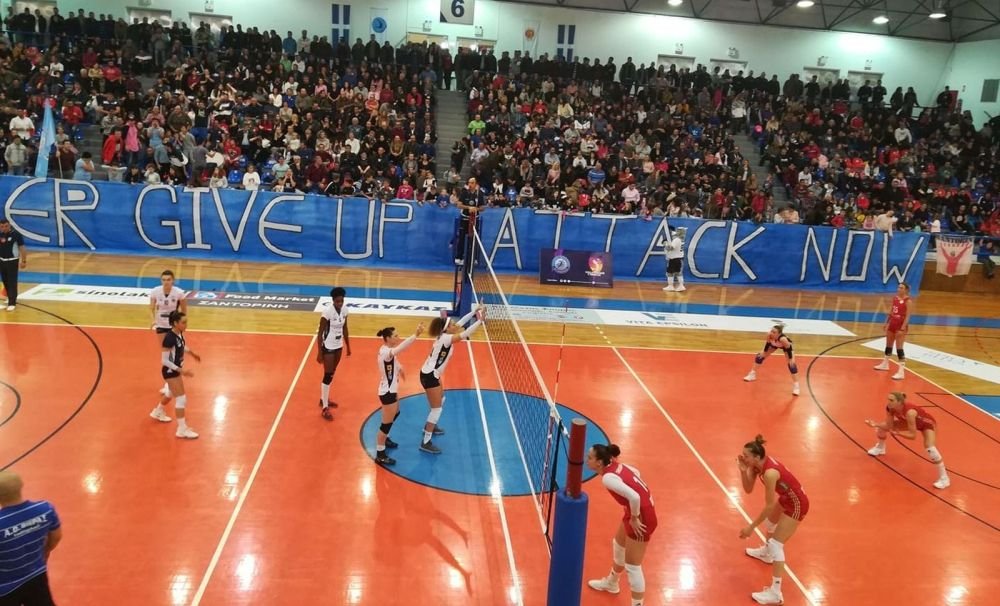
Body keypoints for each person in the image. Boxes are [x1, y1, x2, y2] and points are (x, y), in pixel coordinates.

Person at [738, 435, 808, 605]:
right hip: (786, 498)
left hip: (797, 504)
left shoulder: (769, 473)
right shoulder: (757, 466)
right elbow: (748, 489)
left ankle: (776, 593)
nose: (743, 458)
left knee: (777, 544)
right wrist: (743, 470)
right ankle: (767, 554)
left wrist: (751, 527)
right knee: (770, 523)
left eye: (746, 456)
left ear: (756, 457)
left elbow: (769, 505)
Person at [585, 443, 656, 606]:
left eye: (590, 458)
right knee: (618, 544)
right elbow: (636, 472)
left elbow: (635, 497)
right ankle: (612, 583)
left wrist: (635, 517)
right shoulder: (616, 465)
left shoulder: (608, 478)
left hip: (642, 517)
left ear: (599, 463)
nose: (586, 460)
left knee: (633, 566)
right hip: (634, 510)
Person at [418, 306, 485, 454]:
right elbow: (465, 333)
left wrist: (474, 312)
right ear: (447, 328)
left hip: (431, 373)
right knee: (436, 409)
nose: (456, 325)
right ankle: (426, 441)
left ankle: (430, 425)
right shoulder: (446, 339)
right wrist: (480, 321)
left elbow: (461, 322)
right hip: (429, 375)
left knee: (441, 399)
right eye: (452, 324)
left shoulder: (444, 334)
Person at [0, 471, 62, 606]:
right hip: (36, 575)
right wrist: (44, 553)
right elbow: (56, 537)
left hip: (5, 588)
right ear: (21, 486)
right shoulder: (45, 509)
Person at [866, 391, 950, 489]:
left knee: (930, 448)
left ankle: (944, 478)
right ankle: (880, 448)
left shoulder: (910, 412)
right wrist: (875, 424)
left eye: (891, 400)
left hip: (926, 424)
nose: (889, 402)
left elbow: (912, 435)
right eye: (888, 399)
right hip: (909, 422)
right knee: (881, 428)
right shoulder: (889, 408)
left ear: (899, 402)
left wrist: (898, 433)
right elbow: (889, 425)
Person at [373, 323, 425, 466]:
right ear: (388, 338)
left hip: (391, 390)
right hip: (387, 393)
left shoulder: (386, 350)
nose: (398, 337)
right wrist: (416, 335)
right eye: (395, 336)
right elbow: (400, 349)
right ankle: (380, 454)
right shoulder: (386, 352)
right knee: (385, 425)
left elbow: (394, 361)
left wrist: (400, 369)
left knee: (396, 413)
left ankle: (386, 438)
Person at [150, 311, 202, 439]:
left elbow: (181, 345)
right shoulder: (169, 338)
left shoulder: (178, 334)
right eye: (183, 322)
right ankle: (182, 429)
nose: (186, 324)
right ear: (175, 323)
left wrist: (192, 353)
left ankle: (158, 411)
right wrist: (182, 371)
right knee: (181, 398)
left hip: (175, 370)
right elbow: (164, 361)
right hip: (170, 371)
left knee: (170, 393)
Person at [149, 269, 188, 400]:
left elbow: (184, 311)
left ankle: (171, 380)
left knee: (174, 353)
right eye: (164, 280)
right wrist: (152, 320)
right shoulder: (155, 291)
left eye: (168, 280)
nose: (166, 282)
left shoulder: (179, 293)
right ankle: (168, 382)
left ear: (173, 281)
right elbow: (151, 308)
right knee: (165, 353)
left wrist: (182, 325)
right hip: (161, 325)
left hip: (173, 326)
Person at [316, 287, 351, 420]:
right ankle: (325, 407)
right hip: (328, 346)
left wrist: (348, 346)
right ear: (333, 300)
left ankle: (323, 399)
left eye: (342, 301)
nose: (340, 303)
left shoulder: (345, 310)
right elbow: (320, 333)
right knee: (328, 374)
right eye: (337, 301)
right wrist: (319, 352)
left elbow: (345, 328)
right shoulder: (327, 313)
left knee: (332, 373)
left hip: (339, 345)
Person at [743, 324, 800, 396]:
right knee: (759, 357)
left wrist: (791, 359)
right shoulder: (769, 335)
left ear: (779, 334)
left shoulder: (783, 339)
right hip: (774, 344)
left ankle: (796, 386)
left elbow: (789, 349)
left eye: (774, 332)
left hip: (786, 347)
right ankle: (752, 374)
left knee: (792, 366)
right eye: (771, 331)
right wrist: (763, 353)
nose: (771, 333)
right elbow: (767, 344)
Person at [874, 283, 911, 380]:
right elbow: (891, 312)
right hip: (892, 323)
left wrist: (902, 328)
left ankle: (901, 371)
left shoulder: (908, 301)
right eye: (898, 287)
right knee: (888, 345)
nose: (899, 289)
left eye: (901, 288)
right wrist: (886, 322)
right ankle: (885, 364)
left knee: (899, 348)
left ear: (906, 290)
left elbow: (908, 316)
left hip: (900, 325)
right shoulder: (895, 298)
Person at [452, 177, 485, 265]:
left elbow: (482, 208)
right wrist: (469, 207)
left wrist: (475, 209)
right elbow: (459, 205)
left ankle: (473, 258)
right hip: (464, 218)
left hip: (474, 219)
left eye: (472, 183)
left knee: (473, 239)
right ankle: (459, 257)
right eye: (469, 183)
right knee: (461, 237)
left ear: (476, 184)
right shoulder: (464, 192)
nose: (470, 184)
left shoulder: (479, 194)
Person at [0, 218, 27, 312]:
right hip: (2, 261)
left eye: (6, 226)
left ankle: (12, 303)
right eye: (2, 227)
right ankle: (9, 297)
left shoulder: (16, 234)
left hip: (12, 261)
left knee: (12, 281)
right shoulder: (1, 235)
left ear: (9, 225)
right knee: (5, 280)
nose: (4, 228)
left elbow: (22, 248)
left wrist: (24, 261)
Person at [662, 226, 686, 292]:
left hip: (674, 259)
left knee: (670, 272)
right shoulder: (681, 240)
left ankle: (670, 286)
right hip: (679, 258)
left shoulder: (676, 240)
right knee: (678, 272)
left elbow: (670, 248)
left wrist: (665, 243)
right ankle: (681, 285)